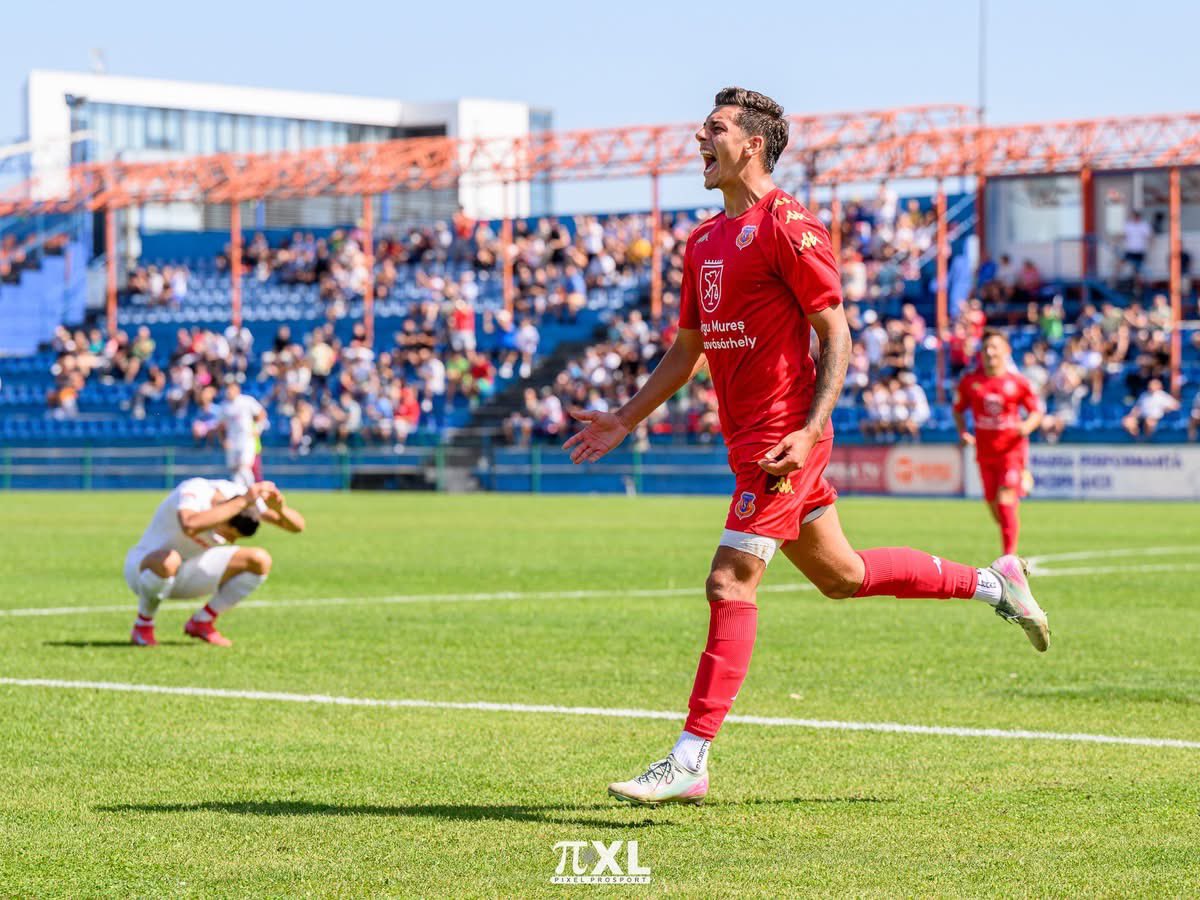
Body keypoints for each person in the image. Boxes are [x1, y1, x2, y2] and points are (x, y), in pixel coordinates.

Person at [563, 87, 1051, 808]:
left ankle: (690, 759)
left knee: (729, 583)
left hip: (784, 440)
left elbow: (837, 335)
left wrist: (809, 428)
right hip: (750, 442)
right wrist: (625, 418)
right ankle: (995, 583)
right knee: (843, 575)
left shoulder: (789, 226)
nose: (700, 138)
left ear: (752, 145)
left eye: (715, 128)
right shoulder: (702, 242)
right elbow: (687, 350)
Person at [126, 478, 305, 647]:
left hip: (190, 571)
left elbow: (298, 527)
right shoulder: (196, 490)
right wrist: (244, 501)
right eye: (229, 534)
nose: (231, 541)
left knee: (259, 560)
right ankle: (143, 625)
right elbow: (189, 525)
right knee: (169, 560)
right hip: (144, 569)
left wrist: (280, 509)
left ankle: (202, 622)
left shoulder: (242, 498)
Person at [953, 332, 1044, 556]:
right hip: (985, 453)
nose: (989, 352)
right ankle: (1019, 489)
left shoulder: (1017, 382)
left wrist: (1026, 426)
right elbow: (958, 409)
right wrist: (963, 432)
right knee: (996, 508)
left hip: (1012, 451)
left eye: (994, 347)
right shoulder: (970, 381)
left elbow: (1036, 411)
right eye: (986, 348)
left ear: (1006, 351)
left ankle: (1009, 558)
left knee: (1004, 502)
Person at [218, 379, 268, 487]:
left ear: (237, 389)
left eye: (231, 388)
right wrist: (224, 440)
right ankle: (240, 491)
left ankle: (252, 489)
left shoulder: (247, 401)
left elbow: (262, 414)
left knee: (244, 466)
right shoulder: (224, 406)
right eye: (227, 389)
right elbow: (220, 426)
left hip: (246, 439)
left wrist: (258, 428)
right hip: (232, 440)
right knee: (234, 469)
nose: (229, 391)